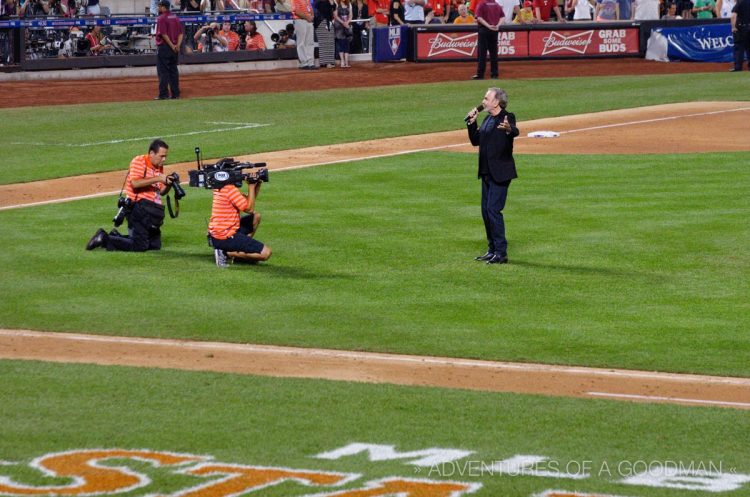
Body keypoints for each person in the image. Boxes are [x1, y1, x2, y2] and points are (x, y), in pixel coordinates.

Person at [86, 139, 177, 252]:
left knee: (154, 245)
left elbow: (161, 192)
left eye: (165, 156)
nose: (164, 159)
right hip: (138, 208)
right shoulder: (139, 161)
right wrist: (159, 178)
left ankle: (115, 236)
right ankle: (104, 238)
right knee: (139, 246)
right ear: (152, 153)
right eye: (161, 156)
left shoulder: (158, 166)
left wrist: (168, 184)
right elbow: (135, 183)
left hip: (152, 211)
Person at [465, 88, 519, 265]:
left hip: (501, 173)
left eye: (486, 98)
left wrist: (509, 129)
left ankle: (501, 253)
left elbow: (514, 131)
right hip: (486, 172)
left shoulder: (507, 117)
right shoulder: (487, 119)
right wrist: (472, 123)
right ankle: (492, 249)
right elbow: (476, 141)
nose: (484, 101)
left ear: (496, 102)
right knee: (486, 212)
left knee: (493, 210)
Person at [208, 175, 272, 267]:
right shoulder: (230, 189)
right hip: (225, 236)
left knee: (256, 216)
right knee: (266, 253)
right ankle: (225, 253)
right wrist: (251, 186)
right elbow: (249, 209)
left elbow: (248, 201)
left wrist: (257, 185)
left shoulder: (221, 187)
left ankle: (240, 253)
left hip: (219, 234)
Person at [154, 0, 183, 100]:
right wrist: (177, 46)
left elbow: (164, 34)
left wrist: (172, 46)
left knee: (163, 71)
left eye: (159, 6)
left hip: (165, 47)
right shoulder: (175, 17)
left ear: (163, 7)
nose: (158, 8)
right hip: (175, 48)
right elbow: (181, 33)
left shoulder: (161, 18)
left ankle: (163, 94)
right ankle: (175, 94)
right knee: (173, 70)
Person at [472, 0, 503, 80]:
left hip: (484, 30)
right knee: (494, 53)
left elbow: (479, 18)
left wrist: (488, 26)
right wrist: (498, 25)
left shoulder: (482, 3)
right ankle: (494, 74)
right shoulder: (496, 4)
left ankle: (480, 74)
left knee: (482, 53)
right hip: (494, 30)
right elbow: (503, 17)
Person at [292, 0, 315, 68]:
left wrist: (312, 16)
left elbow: (310, 9)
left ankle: (310, 63)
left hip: (309, 21)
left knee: (310, 42)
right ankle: (304, 63)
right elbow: (296, 11)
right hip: (300, 20)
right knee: (301, 42)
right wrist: (308, 17)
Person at [315, 0, 336, 68]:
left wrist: (332, 3)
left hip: (329, 22)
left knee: (330, 43)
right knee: (324, 43)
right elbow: (323, 10)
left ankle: (329, 62)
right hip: (321, 23)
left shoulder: (331, 2)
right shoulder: (319, 2)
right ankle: (325, 62)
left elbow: (334, 8)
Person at [731, 0, 750, 71]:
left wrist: (733, 27)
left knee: (739, 48)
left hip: (742, 28)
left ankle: (738, 67)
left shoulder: (740, 2)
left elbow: (733, 16)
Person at [334, 0, 353, 66]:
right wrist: (343, 22)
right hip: (339, 26)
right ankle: (342, 61)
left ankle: (346, 62)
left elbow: (351, 15)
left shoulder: (349, 4)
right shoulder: (336, 4)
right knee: (341, 43)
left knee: (347, 43)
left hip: (347, 26)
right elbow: (335, 16)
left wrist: (347, 22)